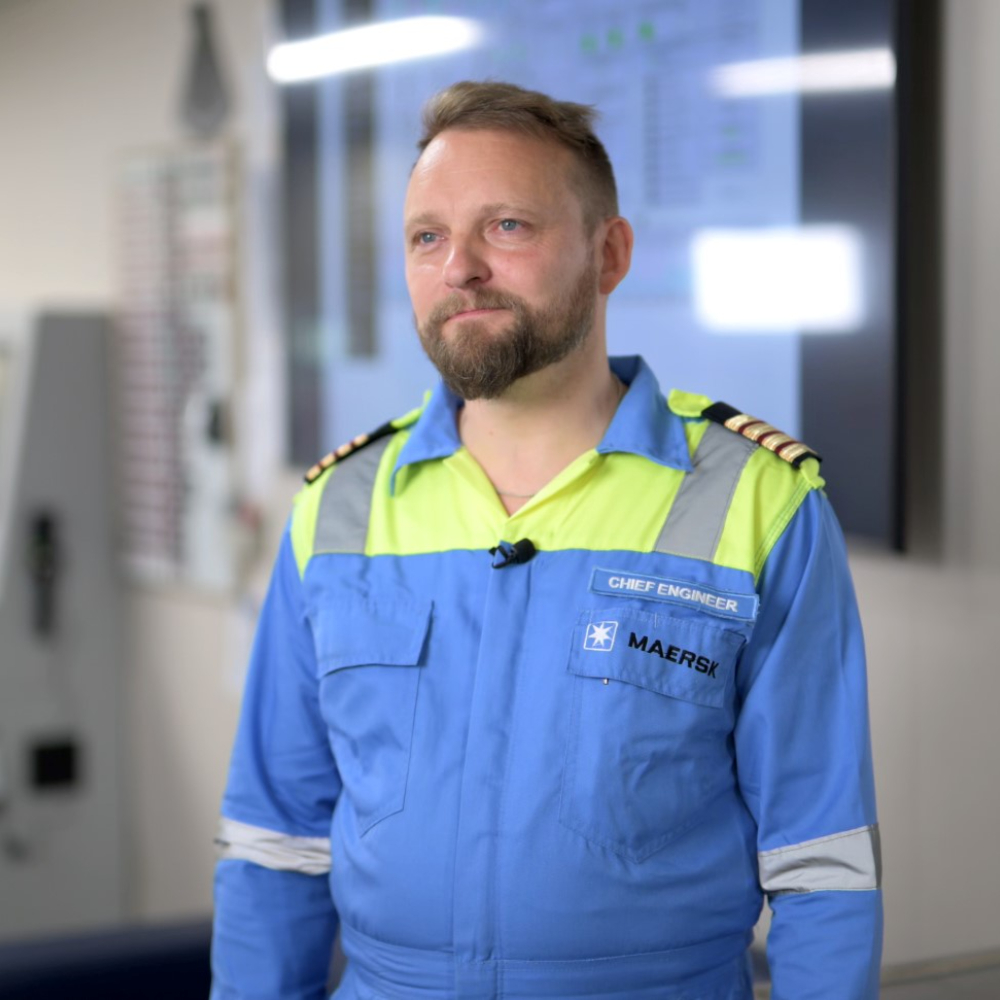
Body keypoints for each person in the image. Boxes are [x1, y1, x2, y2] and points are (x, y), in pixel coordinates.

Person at [210, 81, 882, 1000]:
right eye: (427, 237)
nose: (460, 270)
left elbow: (821, 865)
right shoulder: (337, 510)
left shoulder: (757, 503)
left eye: (508, 227)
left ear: (610, 254)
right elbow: (274, 845)